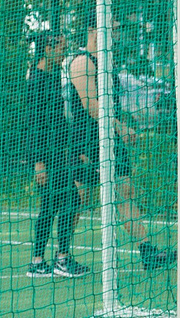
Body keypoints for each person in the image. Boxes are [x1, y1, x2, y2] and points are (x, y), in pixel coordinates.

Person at [64, 24, 173, 274]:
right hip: (87, 141)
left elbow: (111, 103)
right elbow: (91, 105)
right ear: (92, 29)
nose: (116, 32)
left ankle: (148, 252)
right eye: (111, 28)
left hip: (111, 138)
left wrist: (122, 128)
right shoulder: (82, 62)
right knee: (80, 199)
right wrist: (120, 127)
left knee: (126, 192)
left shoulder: (108, 63)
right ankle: (62, 253)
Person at [26, 31, 87, 279]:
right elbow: (33, 124)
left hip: (59, 153)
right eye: (60, 47)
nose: (64, 52)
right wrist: (38, 162)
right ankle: (58, 259)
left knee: (54, 204)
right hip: (47, 157)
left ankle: (40, 261)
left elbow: (58, 122)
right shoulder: (38, 81)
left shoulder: (53, 77)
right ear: (48, 50)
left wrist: (71, 151)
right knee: (66, 201)